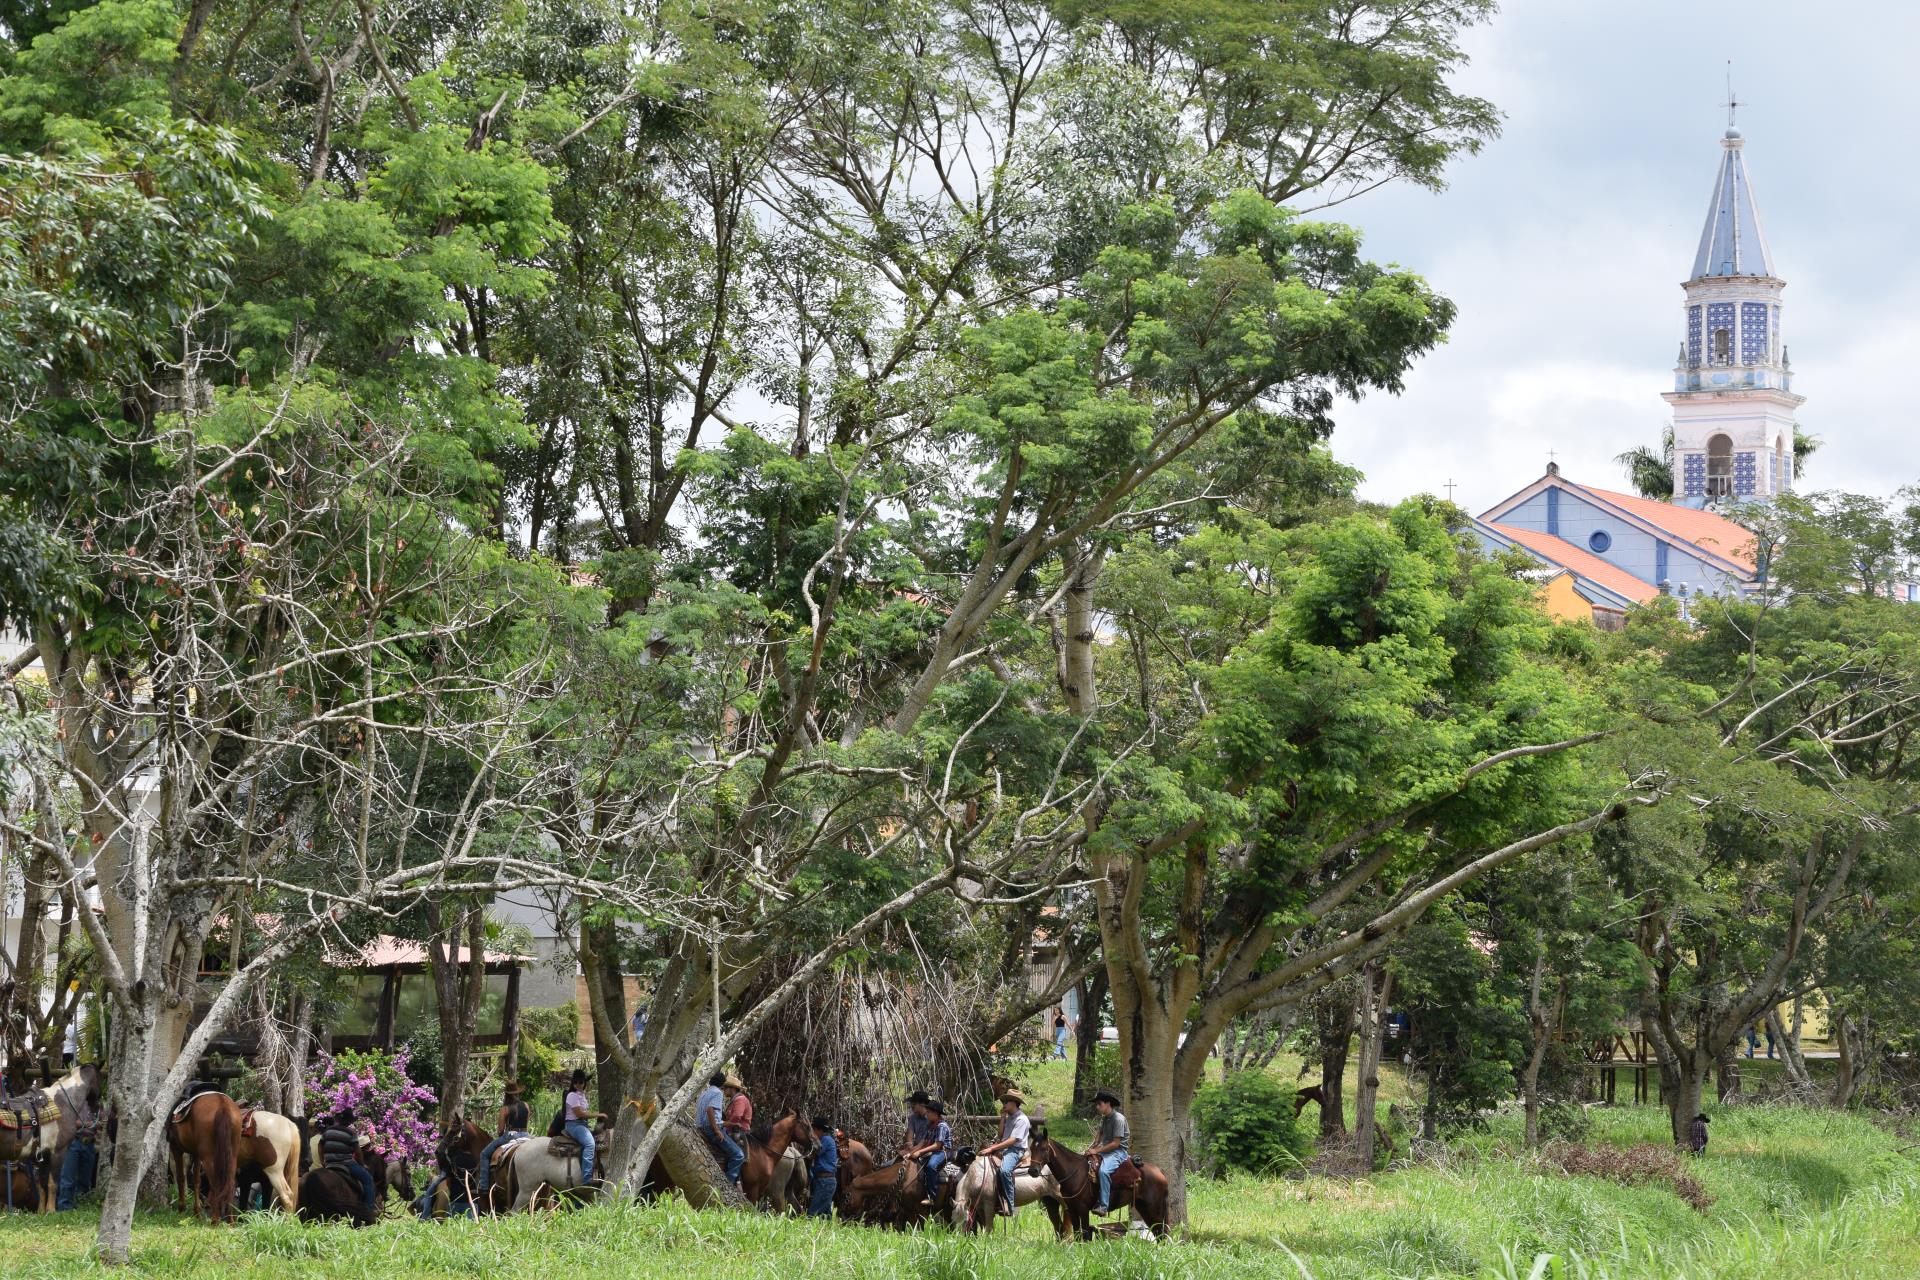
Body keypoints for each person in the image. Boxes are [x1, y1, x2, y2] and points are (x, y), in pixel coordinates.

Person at [976, 1089, 1030, 1217]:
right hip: (1005, 1148)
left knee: (1005, 1171)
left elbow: (1013, 1140)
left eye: (1006, 1102)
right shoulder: (1010, 1117)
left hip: (1015, 1150)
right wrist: (1002, 1118)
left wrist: (992, 1148)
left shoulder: (1022, 1119)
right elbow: (1000, 1135)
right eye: (1003, 1102)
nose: (1004, 1104)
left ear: (1015, 1103)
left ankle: (1010, 1205)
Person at [56, 1063, 100, 1210]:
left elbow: (101, 1118)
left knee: (85, 1181)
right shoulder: (72, 1098)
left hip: (89, 1144)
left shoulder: (95, 1102)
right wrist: (87, 1124)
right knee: (67, 1179)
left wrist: (99, 1122)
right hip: (74, 1142)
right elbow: (68, 1120)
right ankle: (64, 1209)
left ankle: (81, 1208)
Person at [474, 1089, 532, 1201]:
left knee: (484, 1154)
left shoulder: (505, 1109)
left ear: (507, 1095)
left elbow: (500, 1130)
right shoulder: (525, 1105)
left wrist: (502, 1135)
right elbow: (526, 1122)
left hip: (511, 1135)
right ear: (518, 1093)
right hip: (526, 1134)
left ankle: (484, 1186)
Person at [321, 1112, 378, 1212]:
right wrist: (362, 1164)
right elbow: (358, 1152)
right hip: (345, 1163)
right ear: (349, 1122)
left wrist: (322, 1160)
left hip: (329, 1163)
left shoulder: (328, 1131)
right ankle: (369, 1209)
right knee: (368, 1179)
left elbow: (320, 1145)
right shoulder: (350, 1133)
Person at [694, 1070, 743, 1184]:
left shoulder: (704, 1094)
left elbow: (715, 1118)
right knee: (739, 1155)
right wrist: (717, 1131)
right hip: (711, 1130)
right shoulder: (718, 1093)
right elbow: (710, 1110)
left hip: (701, 1128)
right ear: (722, 1084)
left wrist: (731, 1124)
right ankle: (728, 1185)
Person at [1087, 1090, 1131, 1215]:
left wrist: (1096, 1150)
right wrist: (1093, 1146)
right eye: (1096, 1104)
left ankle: (1103, 1206)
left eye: (1099, 1104)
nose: (1097, 1107)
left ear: (1108, 1104)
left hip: (1118, 1152)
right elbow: (1100, 1134)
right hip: (1106, 1150)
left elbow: (1115, 1144)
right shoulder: (1105, 1118)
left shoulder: (1118, 1119)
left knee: (1103, 1171)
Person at [906, 1097, 953, 1204]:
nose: (926, 1114)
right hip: (934, 1151)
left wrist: (920, 1152)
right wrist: (910, 1153)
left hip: (943, 1152)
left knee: (931, 1166)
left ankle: (931, 1196)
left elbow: (937, 1145)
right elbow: (922, 1142)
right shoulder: (930, 1126)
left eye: (928, 1112)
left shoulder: (942, 1126)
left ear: (935, 1113)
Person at [562, 1069, 603, 1183]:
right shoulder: (572, 1095)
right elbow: (580, 1114)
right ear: (573, 1083)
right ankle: (587, 1178)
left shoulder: (581, 1095)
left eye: (581, 1082)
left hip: (582, 1124)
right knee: (590, 1144)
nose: (578, 1085)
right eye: (576, 1082)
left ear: (584, 1083)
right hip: (574, 1125)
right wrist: (598, 1114)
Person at [720, 1075, 753, 1182]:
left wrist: (723, 1124)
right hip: (732, 1130)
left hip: (739, 1132)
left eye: (726, 1088)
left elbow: (736, 1116)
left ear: (733, 1089)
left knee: (735, 1154)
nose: (724, 1090)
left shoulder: (740, 1099)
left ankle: (731, 1180)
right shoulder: (733, 1100)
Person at [807, 1116, 838, 1217]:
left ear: (819, 1130)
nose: (813, 1133)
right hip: (825, 1181)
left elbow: (814, 1153)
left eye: (814, 1130)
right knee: (825, 1214)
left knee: (812, 1213)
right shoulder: (827, 1139)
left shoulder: (825, 1140)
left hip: (825, 1182)